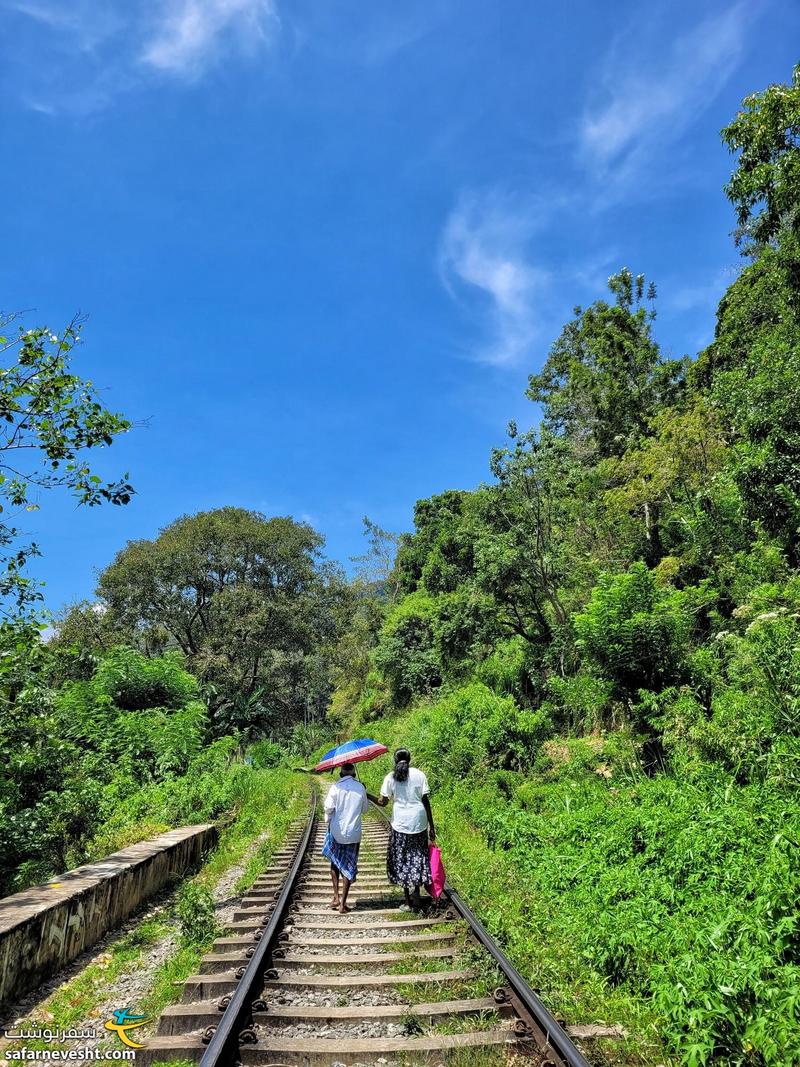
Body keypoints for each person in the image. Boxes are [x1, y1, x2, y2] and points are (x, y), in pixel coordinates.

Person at [368, 748, 436, 911]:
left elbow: (382, 802)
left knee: (402, 859)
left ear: (394, 760)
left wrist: (366, 794)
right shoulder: (420, 775)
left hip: (400, 823)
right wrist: (431, 826)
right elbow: (425, 801)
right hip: (419, 822)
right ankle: (417, 896)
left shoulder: (390, 777)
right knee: (419, 856)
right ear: (410, 759)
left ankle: (407, 901)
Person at [322, 762, 368, 913]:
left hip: (336, 831)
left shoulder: (335, 787)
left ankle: (335, 896)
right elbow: (365, 809)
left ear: (341, 774)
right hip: (353, 833)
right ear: (354, 774)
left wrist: (328, 819)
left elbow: (328, 807)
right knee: (348, 865)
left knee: (335, 862)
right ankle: (343, 904)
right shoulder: (360, 787)